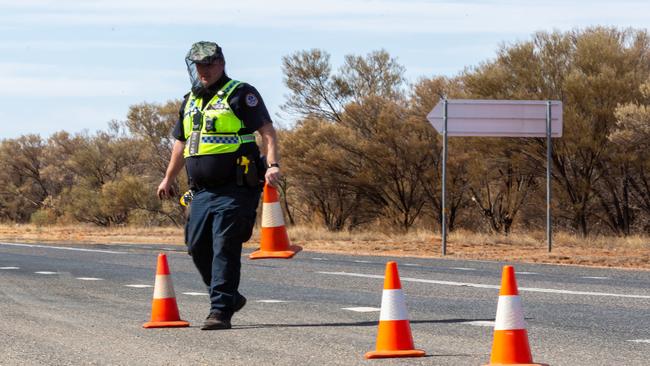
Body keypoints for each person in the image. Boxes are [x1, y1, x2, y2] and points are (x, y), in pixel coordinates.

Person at [157, 41, 281, 330]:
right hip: (201, 191)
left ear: (221, 64)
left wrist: (273, 165)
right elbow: (180, 144)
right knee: (197, 245)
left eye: (210, 64)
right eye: (199, 65)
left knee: (224, 245)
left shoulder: (240, 93)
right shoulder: (189, 100)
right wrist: (168, 178)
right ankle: (230, 296)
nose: (204, 70)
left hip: (237, 186)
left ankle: (220, 310)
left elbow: (268, 132)